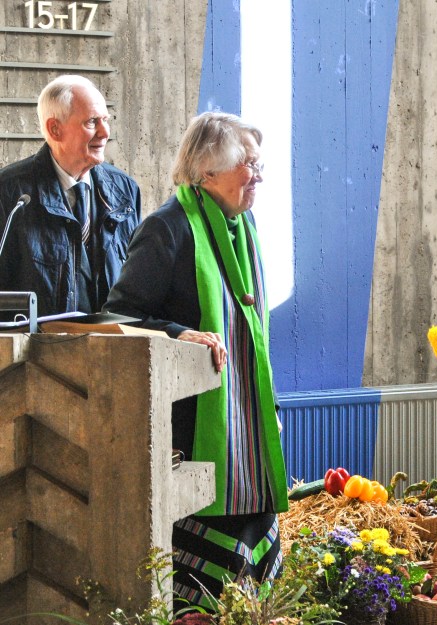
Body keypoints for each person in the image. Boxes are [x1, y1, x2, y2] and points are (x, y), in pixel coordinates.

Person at [104, 112, 288, 608]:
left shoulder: (241, 227)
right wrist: (181, 332)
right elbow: (117, 314)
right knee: (199, 604)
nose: (259, 175)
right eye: (249, 164)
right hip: (193, 436)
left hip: (245, 435)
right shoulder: (166, 229)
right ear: (208, 172)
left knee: (253, 598)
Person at [0, 74, 141, 316]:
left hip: (115, 349)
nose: (105, 132)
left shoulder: (125, 190)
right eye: (92, 122)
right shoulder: (10, 193)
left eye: (106, 120)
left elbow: (141, 284)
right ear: (55, 129)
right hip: (40, 350)